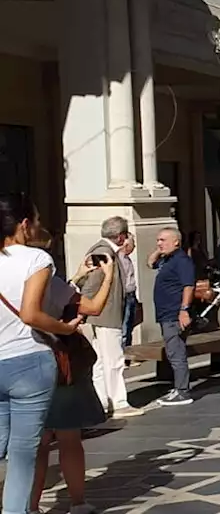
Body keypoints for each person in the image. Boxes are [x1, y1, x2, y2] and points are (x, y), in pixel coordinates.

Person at [28, 228, 121, 514]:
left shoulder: (9, 278)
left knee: (35, 444)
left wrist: (78, 277)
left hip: (20, 365)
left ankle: (29, 506)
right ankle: (78, 503)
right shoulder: (51, 283)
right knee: (68, 439)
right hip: (56, 365)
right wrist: (108, 277)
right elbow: (91, 307)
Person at [0, 194, 79, 514]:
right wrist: (65, 329)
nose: (38, 226)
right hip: (29, 360)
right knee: (22, 453)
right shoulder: (36, 259)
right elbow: (31, 314)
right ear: (23, 225)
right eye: (35, 220)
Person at [81, 216, 141, 419]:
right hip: (105, 314)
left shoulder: (103, 250)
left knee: (101, 360)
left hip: (101, 314)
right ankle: (118, 402)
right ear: (121, 236)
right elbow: (90, 284)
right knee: (113, 359)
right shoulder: (104, 253)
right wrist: (86, 309)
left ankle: (103, 400)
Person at [150, 227, 196, 406]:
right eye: (158, 240)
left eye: (162, 240)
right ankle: (178, 387)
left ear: (176, 242)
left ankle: (183, 391)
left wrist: (184, 310)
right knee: (172, 351)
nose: (159, 243)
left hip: (174, 314)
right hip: (165, 313)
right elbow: (150, 263)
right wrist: (160, 250)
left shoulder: (182, 261)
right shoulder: (167, 259)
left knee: (176, 352)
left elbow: (188, 286)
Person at [120, 234, 139, 350]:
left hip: (131, 295)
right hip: (125, 296)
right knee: (125, 326)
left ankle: (128, 350)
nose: (135, 246)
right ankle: (123, 353)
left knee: (130, 325)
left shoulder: (127, 258)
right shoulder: (120, 259)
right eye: (133, 244)